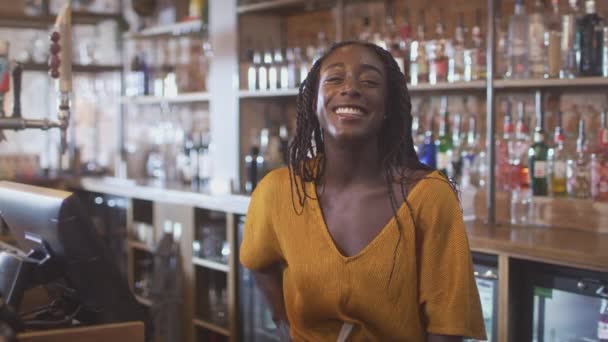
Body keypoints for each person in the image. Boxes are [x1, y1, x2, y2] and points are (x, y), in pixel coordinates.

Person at [240, 41, 486, 341]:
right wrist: (287, 323)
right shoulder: (278, 191)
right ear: (314, 102)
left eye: (369, 82)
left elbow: (448, 328)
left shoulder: (430, 196)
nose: (350, 89)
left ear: (387, 107)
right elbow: (257, 262)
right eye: (334, 79)